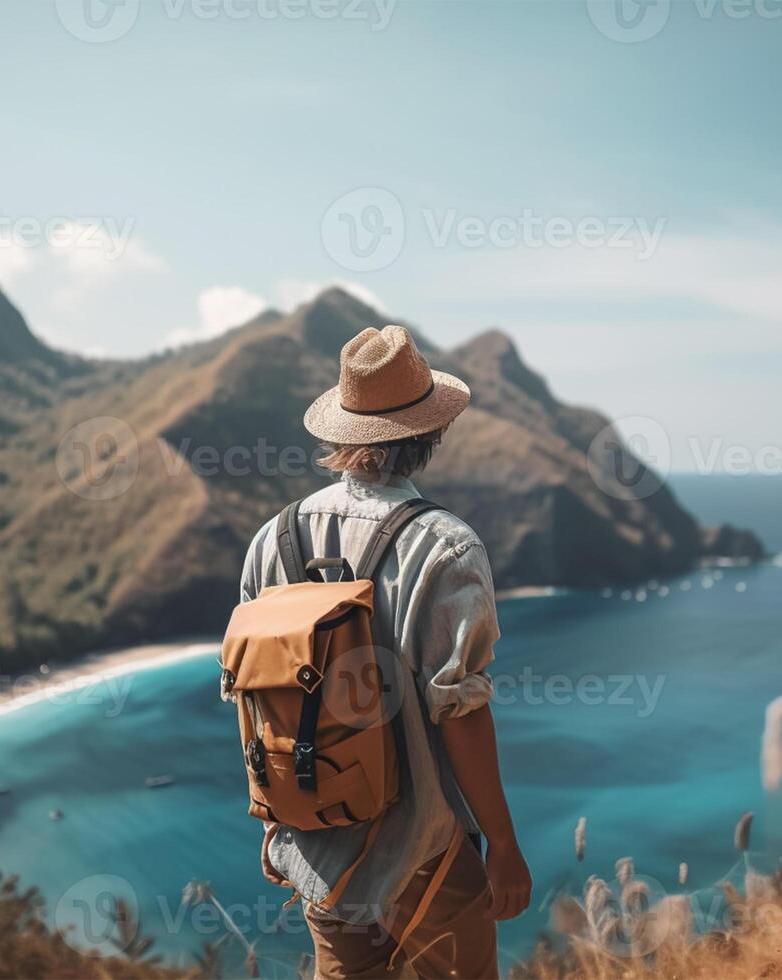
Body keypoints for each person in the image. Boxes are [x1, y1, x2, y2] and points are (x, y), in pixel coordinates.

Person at [237, 324, 531, 979]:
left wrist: (278, 827)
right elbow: (460, 711)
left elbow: (258, 695)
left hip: (320, 851)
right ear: (430, 434)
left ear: (342, 431)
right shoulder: (446, 547)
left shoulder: (272, 539)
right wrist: (504, 845)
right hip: (425, 854)